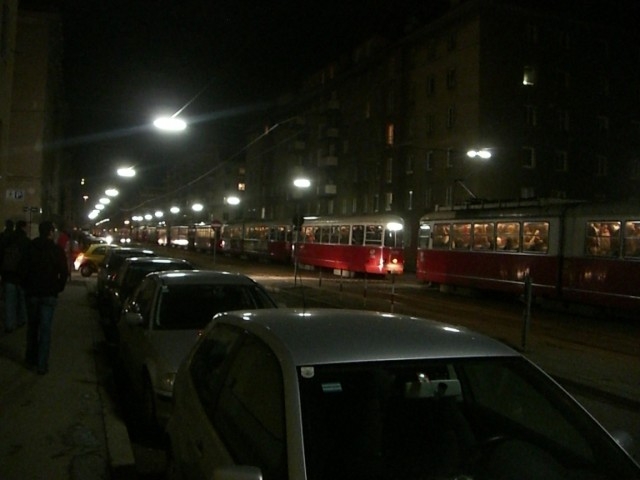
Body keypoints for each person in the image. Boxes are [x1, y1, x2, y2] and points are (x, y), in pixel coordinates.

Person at [23, 221, 69, 375]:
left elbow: (23, 268)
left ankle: (30, 360)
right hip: (49, 293)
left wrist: (26, 286)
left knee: (32, 328)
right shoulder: (56, 250)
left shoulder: (30, 247)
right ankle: (42, 364)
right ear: (50, 232)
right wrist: (58, 287)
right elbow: (64, 272)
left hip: (32, 292)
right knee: (45, 330)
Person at [0, 220, 30, 333]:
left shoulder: (7, 239)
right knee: (22, 300)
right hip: (22, 276)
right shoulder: (26, 241)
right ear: (23, 227)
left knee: (9, 302)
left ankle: (9, 324)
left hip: (8, 275)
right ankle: (21, 321)